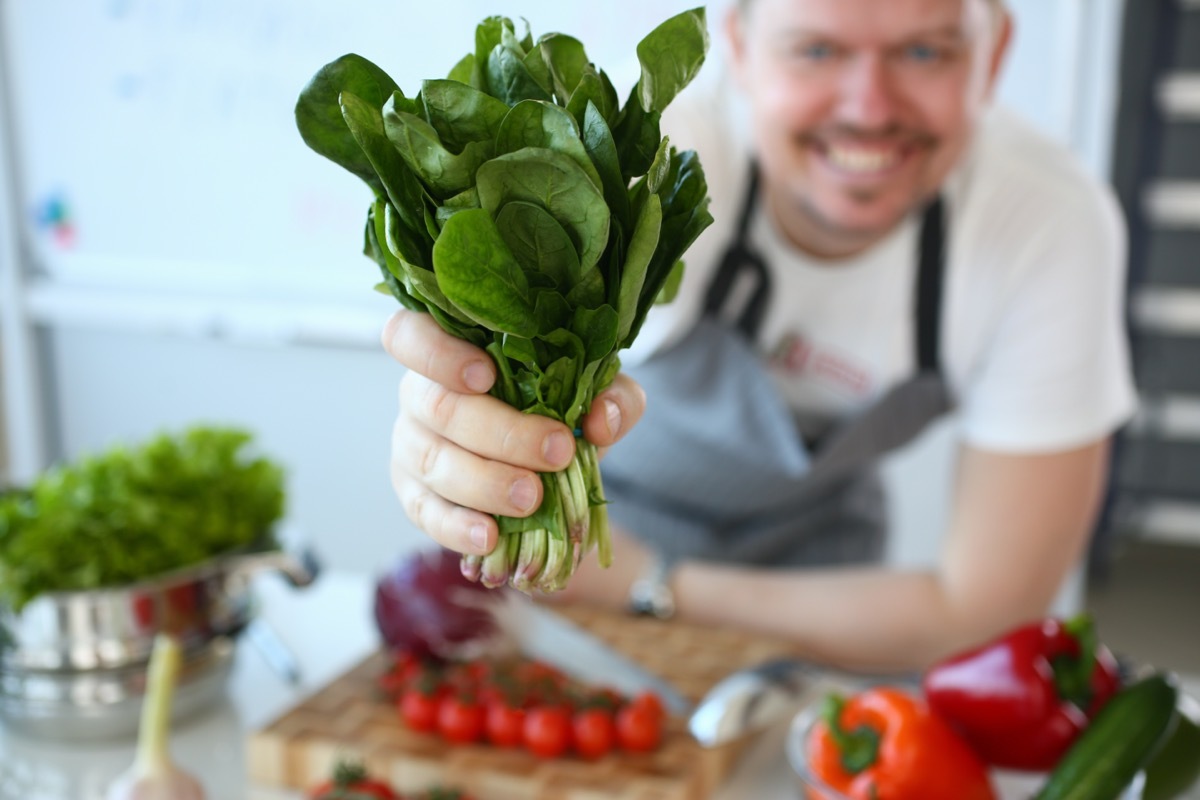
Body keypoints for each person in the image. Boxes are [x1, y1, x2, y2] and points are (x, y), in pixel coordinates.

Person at [382, 0, 1136, 672]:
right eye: (816, 49)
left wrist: (652, 587)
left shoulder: (1045, 223)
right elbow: (482, 416)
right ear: (736, 44)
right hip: (580, 579)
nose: (870, 107)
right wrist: (460, 447)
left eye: (924, 51)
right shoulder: (648, 159)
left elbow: (983, 613)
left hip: (824, 604)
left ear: (996, 50)